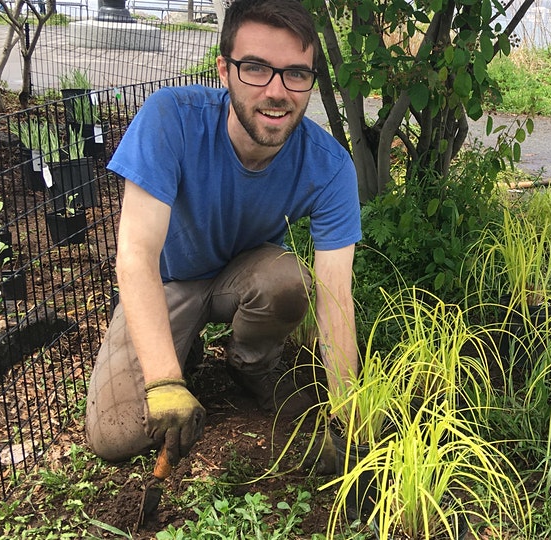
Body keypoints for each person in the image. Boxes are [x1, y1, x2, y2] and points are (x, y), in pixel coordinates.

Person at [85, 0, 360, 469]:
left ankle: (251, 363)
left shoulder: (329, 166)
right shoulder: (171, 119)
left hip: (244, 276)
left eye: (296, 73)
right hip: (170, 281)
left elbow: (336, 296)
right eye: (255, 68)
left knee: (289, 281)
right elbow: (135, 256)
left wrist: (349, 416)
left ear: (311, 79)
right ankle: (179, 352)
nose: (277, 91)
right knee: (116, 436)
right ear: (224, 71)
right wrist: (164, 381)